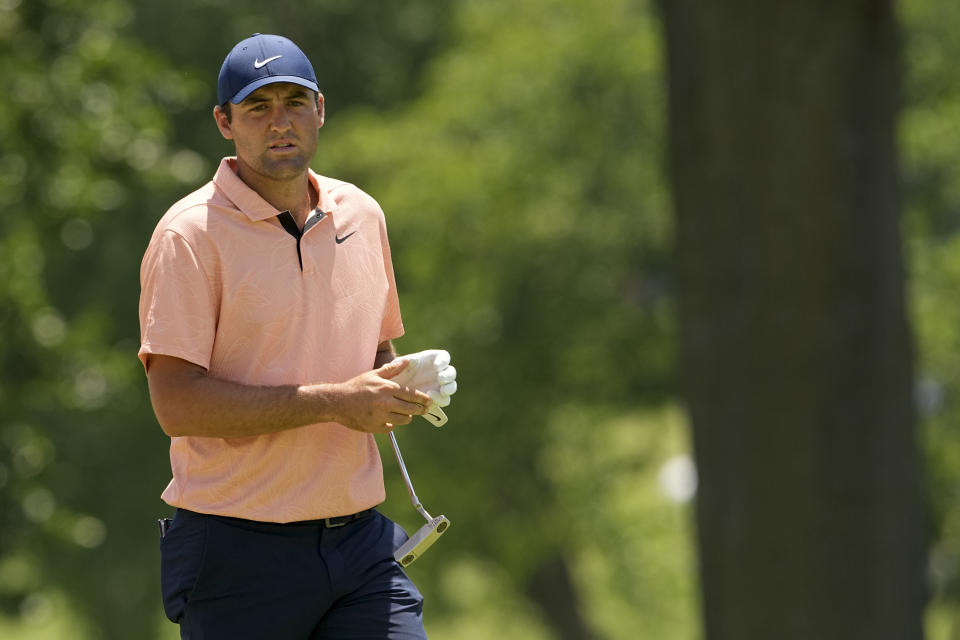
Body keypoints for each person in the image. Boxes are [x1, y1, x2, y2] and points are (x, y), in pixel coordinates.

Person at [138, 33, 451, 639]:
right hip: (236, 550)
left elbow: (373, 353)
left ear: (321, 110)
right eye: (258, 107)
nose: (280, 123)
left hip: (359, 541)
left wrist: (403, 381)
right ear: (224, 122)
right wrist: (336, 402)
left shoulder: (361, 214)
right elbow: (174, 404)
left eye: (295, 102)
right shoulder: (188, 236)